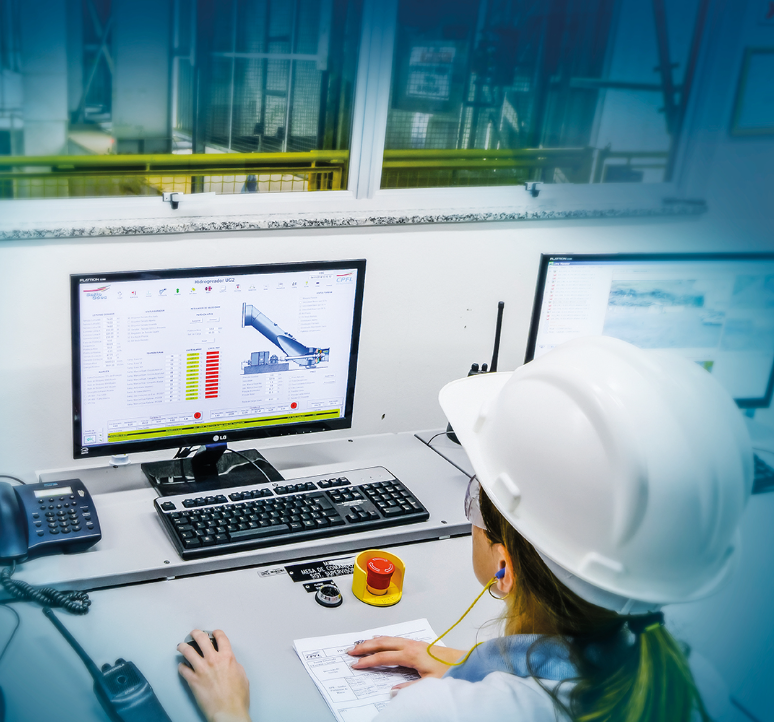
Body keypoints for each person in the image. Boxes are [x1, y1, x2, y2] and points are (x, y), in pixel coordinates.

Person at [177, 337, 753, 722]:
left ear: (505, 563)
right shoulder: (701, 682)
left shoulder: (441, 713)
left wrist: (231, 711)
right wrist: (474, 662)